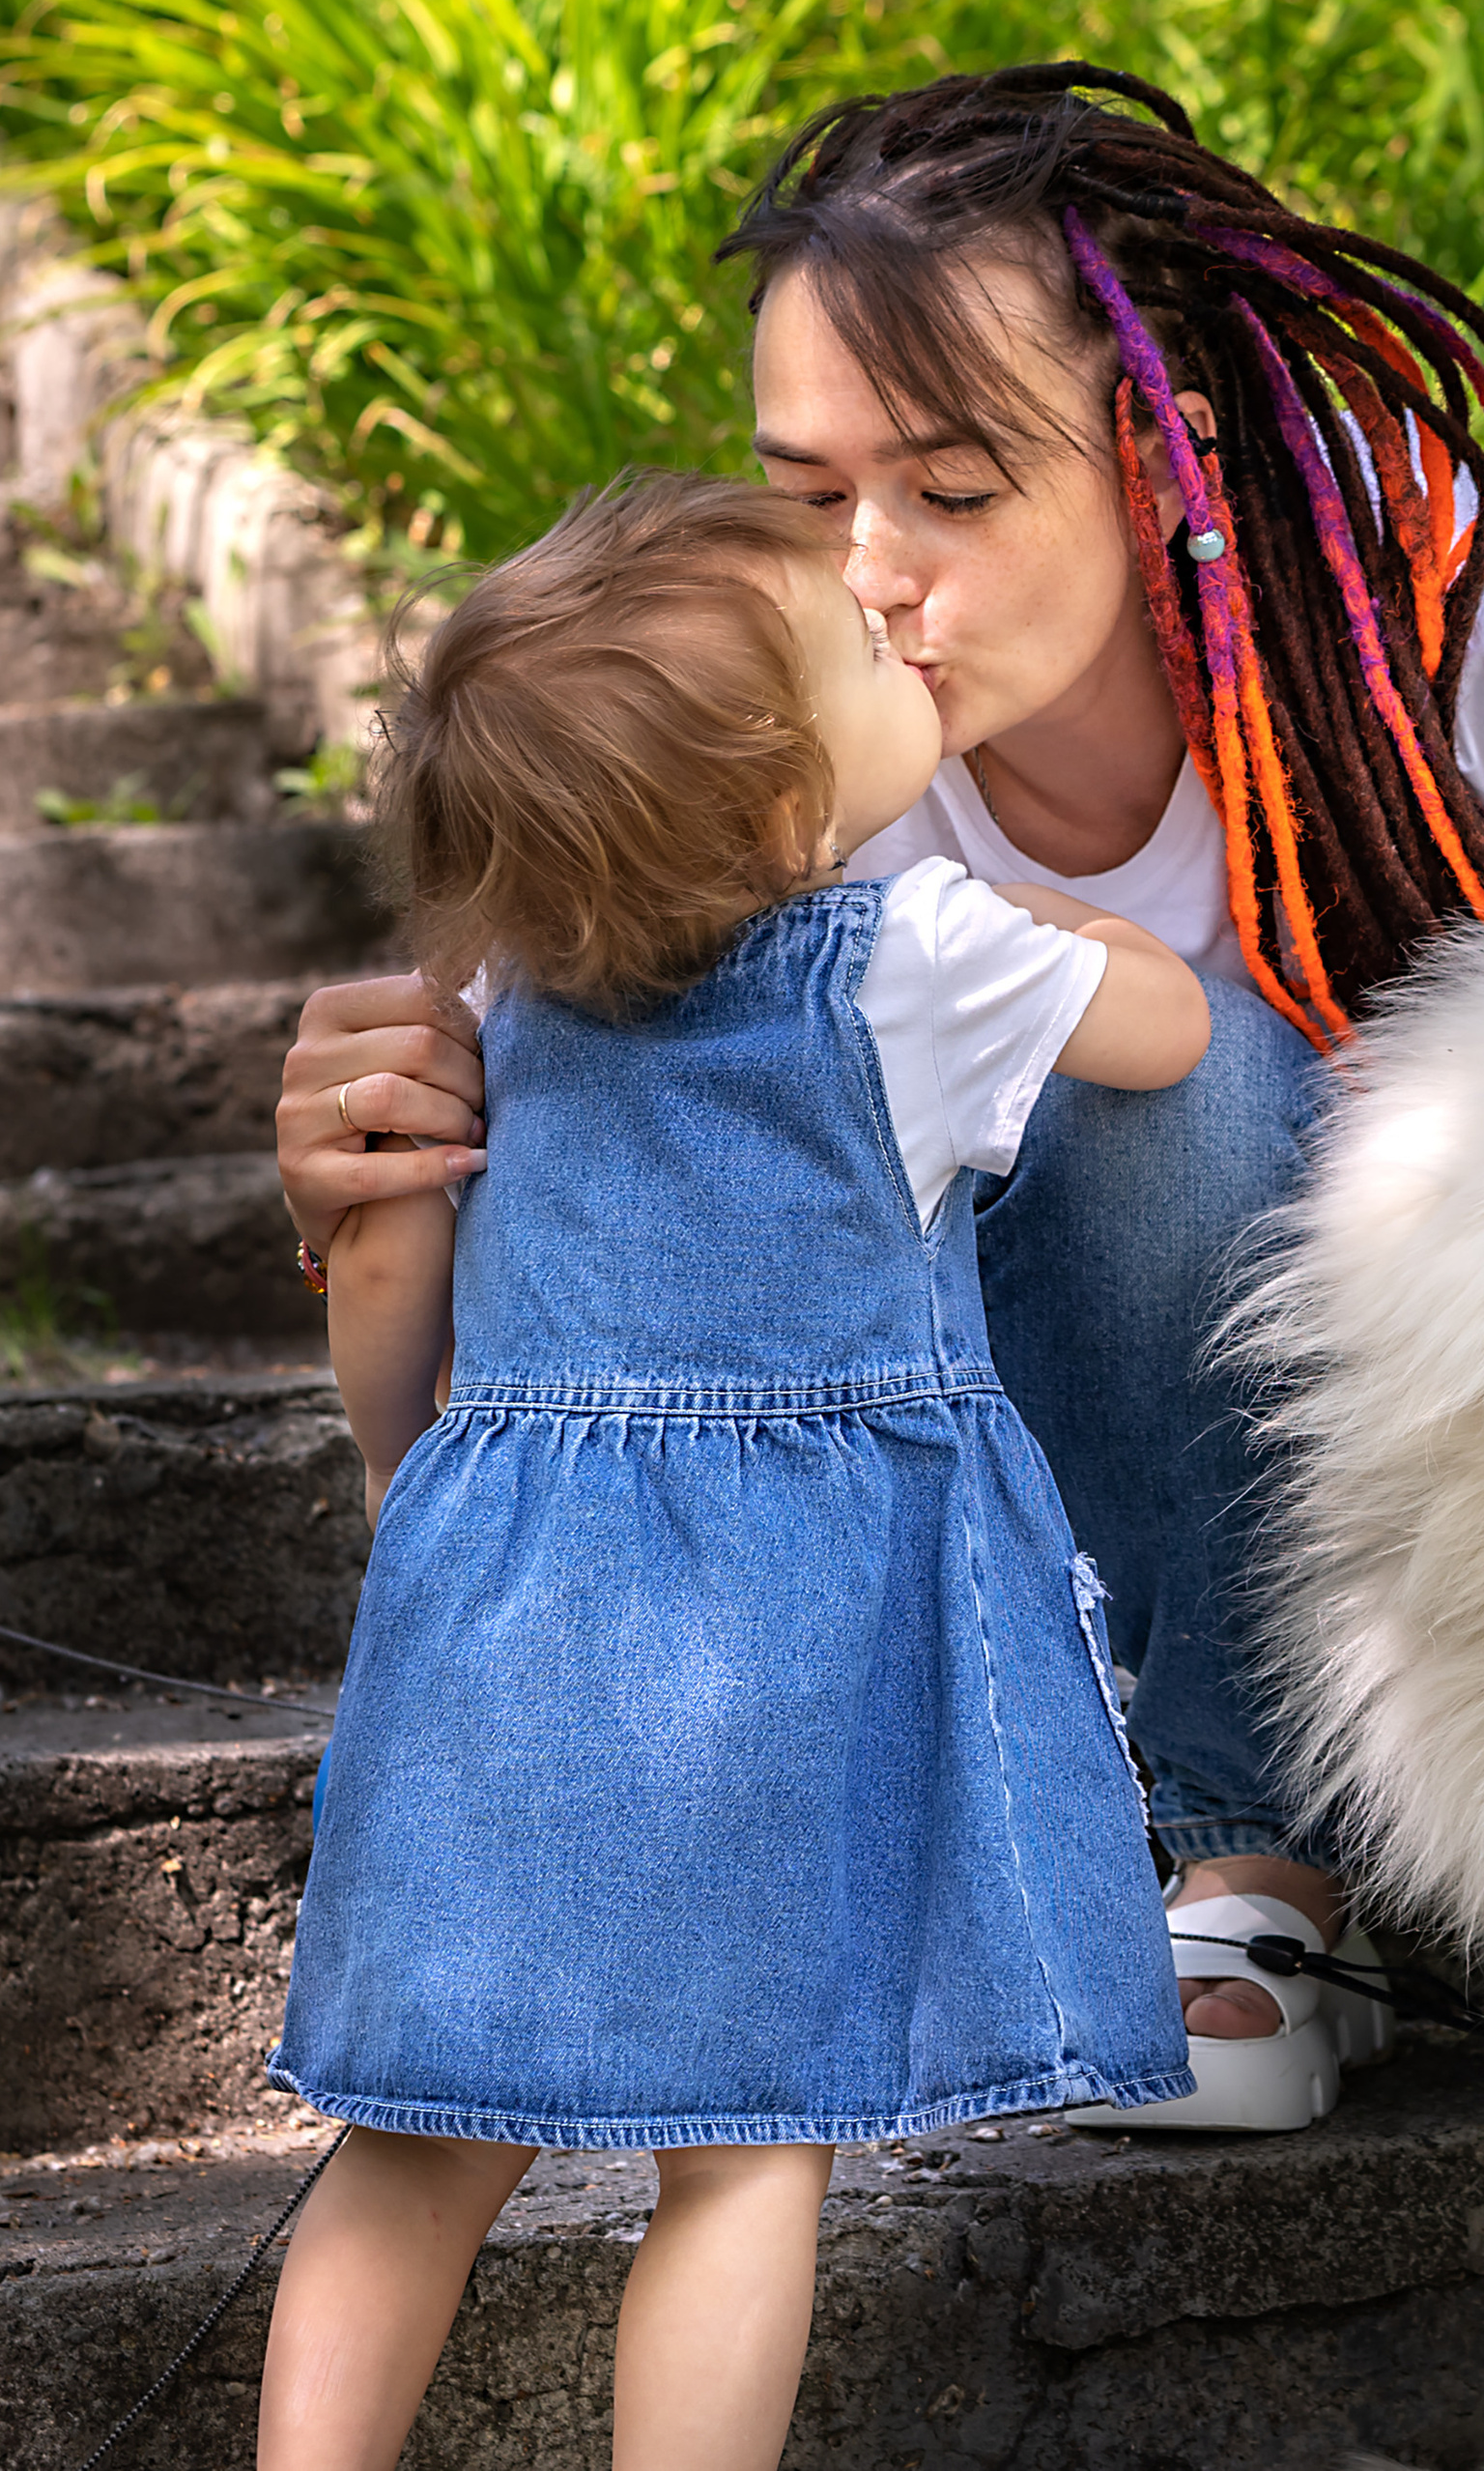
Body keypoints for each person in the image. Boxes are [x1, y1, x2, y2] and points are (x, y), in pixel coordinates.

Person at [274, 65, 1484, 2136]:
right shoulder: (780, 749)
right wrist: (383, 1158)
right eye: (805, 491)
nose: (868, 572)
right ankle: (1250, 1873)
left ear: (1161, 450)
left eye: (953, 490)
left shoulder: (1425, 583)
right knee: (1155, 1091)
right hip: (1187, 1479)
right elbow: (536, 1284)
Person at [257, 472, 1209, 2471]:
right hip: (777, 1656)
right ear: (789, 815)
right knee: (744, 2160)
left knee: (416, 2138)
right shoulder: (917, 959)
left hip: (500, 1613)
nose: (895, 619)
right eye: (859, 643)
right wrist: (1053, 929)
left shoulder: (510, 1000)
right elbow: (1167, 1028)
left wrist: (396, 1467)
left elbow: (393, 1265)